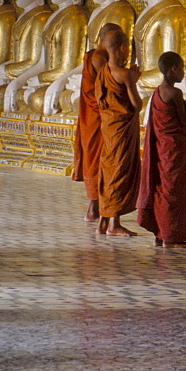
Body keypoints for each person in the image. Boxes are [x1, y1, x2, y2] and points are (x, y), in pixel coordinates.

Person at [137, 51, 186, 248]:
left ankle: (160, 233)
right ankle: (171, 237)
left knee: (163, 189)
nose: (184, 72)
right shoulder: (175, 93)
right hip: (175, 149)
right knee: (175, 192)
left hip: (163, 148)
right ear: (173, 69)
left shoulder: (157, 91)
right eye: (182, 68)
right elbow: (183, 120)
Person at [72, 22, 124, 222]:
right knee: (99, 158)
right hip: (97, 117)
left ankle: (100, 210)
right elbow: (108, 88)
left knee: (101, 158)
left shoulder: (96, 55)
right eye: (120, 44)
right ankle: (95, 208)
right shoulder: (99, 58)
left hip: (94, 115)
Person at [95, 26, 142, 237]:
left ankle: (103, 222)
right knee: (119, 171)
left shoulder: (102, 71)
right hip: (121, 130)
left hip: (109, 128)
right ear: (123, 48)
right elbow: (137, 104)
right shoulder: (123, 74)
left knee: (108, 168)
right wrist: (134, 78)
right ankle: (114, 223)